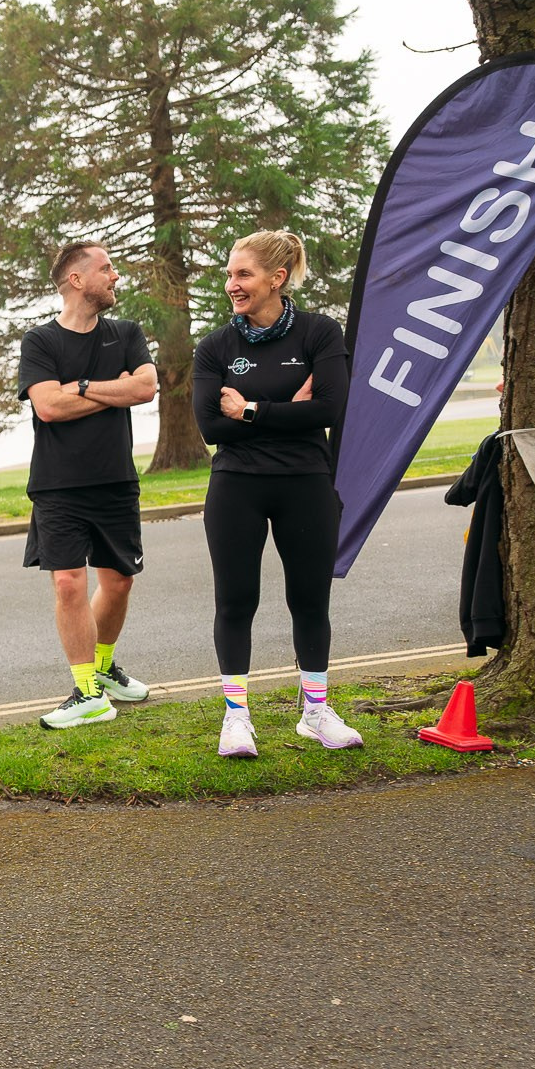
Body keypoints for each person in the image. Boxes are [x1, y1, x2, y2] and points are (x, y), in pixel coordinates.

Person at [192, 229, 361, 758]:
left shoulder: (319, 333)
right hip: (236, 485)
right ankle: (236, 718)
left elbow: (329, 410)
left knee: (309, 600)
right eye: (229, 274)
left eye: (243, 274)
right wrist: (290, 410)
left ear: (276, 278)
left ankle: (315, 713)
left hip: (306, 482)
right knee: (236, 601)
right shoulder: (215, 347)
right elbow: (210, 427)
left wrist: (249, 410)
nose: (231, 285)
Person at [18, 241, 160, 730]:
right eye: (106, 268)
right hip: (57, 486)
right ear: (76, 280)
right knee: (67, 582)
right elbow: (48, 407)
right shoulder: (40, 342)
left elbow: (145, 387)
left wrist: (78, 386)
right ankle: (87, 693)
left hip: (115, 480)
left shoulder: (126, 333)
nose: (115, 276)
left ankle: (102, 668)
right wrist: (111, 390)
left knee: (119, 582)